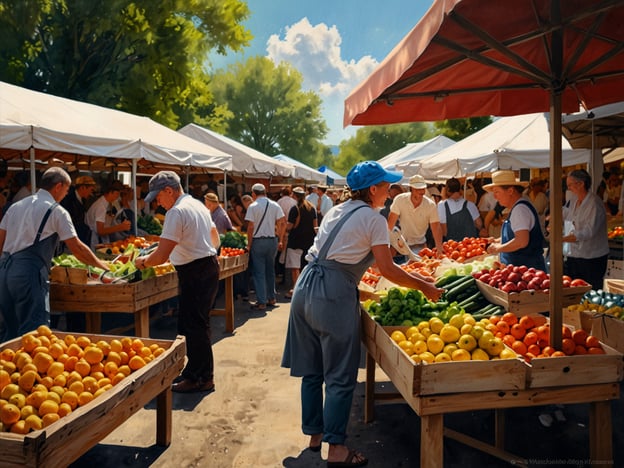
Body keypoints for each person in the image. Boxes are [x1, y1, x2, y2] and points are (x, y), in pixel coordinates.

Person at [281, 161, 443, 467]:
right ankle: (337, 449)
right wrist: (423, 286)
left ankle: (315, 436)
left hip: (305, 287)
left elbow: (346, 253)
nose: (390, 192)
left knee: (313, 371)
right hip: (332, 293)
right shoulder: (372, 217)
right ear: (372, 189)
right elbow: (387, 269)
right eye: (386, 186)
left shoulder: (336, 210)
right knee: (340, 376)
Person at [134, 171, 220, 393]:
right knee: (198, 324)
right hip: (206, 266)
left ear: (169, 191)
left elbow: (161, 256)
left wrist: (143, 262)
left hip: (195, 271)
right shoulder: (197, 205)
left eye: (158, 197)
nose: (158, 203)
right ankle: (198, 373)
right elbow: (214, 236)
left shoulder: (176, 212)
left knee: (193, 326)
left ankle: (199, 378)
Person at [0, 167, 109, 341]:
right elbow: (78, 249)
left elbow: (1, 242)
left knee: (8, 333)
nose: (65, 195)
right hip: (28, 274)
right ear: (58, 186)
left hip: (4, 273)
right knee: (34, 335)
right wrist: (104, 267)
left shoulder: (15, 206)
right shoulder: (56, 211)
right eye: (66, 190)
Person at [485, 170, 546, 271]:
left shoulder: (519, 210)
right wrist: (498, 240)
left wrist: (498, 248)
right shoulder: (518, 207)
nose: (495, 196)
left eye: (497, 192)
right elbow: (517, 234)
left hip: (526, 272)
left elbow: (521, 241)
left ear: (510, 191)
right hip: (521, 271)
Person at [562, 169, 609, 290]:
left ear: (581, 184)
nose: (569, 188)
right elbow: (567, 217)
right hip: (574, 255)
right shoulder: (573, 201)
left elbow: (589, 231)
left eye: (570, 185)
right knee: (573, 291)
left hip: (591, 257)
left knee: (590, 291)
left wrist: (564, 238)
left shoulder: (594, 203)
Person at [245, 183, 286, 310]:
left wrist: (249, 244)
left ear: (253, 193)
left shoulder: (253, 206)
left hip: (258, 241)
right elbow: (282, 222)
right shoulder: (275, 204)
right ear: (265, 192)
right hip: (272, 240)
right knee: (270, 271)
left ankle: (261, 301)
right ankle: (272, 298)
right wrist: (280, 238)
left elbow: (251, 227)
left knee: (259, 272)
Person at [387, 174, 444, 255]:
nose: (421, 191)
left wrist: (439, 248)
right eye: (417, 189)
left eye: (422, 188)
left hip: (420, 245)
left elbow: (436, 227)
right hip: (402, 245)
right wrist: (387, 244)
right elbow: (391, 222)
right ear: (411, 189)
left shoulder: (430, 205)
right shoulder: (400, 200)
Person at [284, 186, 318, 299]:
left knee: (295, 267)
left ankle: (296, 289)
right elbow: (315, 226)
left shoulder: (295, 209)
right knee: (305, 266)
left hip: (296, 240)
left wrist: (284, 228)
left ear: (294, 196)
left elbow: (290, 226)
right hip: (309, 241)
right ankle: (305, 288)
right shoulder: (311, 208)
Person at [85, 180, 131, 248]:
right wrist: (120, 227)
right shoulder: (101, 206)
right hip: (93, 238)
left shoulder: (105, 203)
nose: (117, 197)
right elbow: (100, 231)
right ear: (110, 193)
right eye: (116, 194)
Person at [437, 177, 482, 242]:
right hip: (470, 246)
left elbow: (444, 231)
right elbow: (479, 224)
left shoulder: (441, 205)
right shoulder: (470, 204)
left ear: (447, 189)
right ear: (459, 189)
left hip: (452, 246)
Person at [61, 175, 97, 245]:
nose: (91, 193)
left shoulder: (83, 199)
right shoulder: (68, 200)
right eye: (90, 190)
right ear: (82, 187)